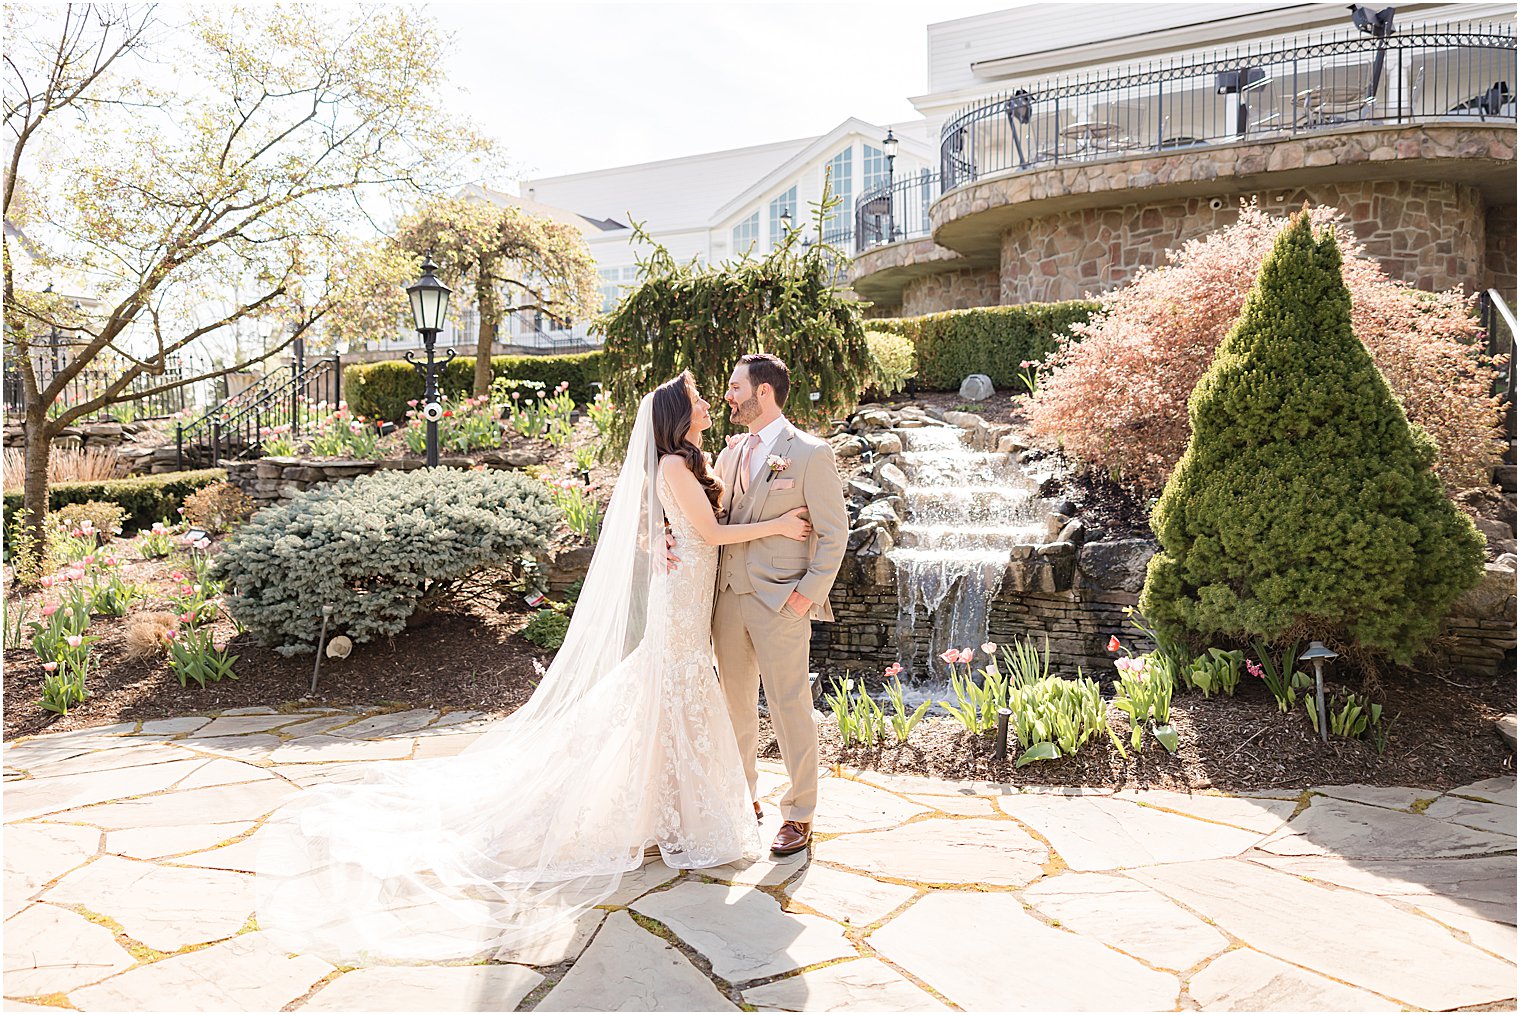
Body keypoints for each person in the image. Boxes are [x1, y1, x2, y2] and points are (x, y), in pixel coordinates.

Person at [254, 371, 811, 965]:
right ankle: (655, 810)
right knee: (667, 692)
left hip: (694, 593)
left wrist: (668, 533)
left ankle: (664, 810)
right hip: (682, 606)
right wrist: (777, 525)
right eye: (699, 398)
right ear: (678, 414)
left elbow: (672, 528)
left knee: (670, 699)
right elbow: (709, 530)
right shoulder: (674, 466)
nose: (707, 404)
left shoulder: (693, 459)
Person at [705, 353, 848, 857]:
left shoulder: (810, 453)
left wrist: (804, 596)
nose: (728, 395)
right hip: (727, 600)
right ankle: (744, 798)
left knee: (790, 706)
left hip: (781, 601)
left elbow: (834, 534)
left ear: (763, 392)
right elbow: (715, 521)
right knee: (734, 706)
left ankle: (799, 813)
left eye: (734, 386)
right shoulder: (729, 454)